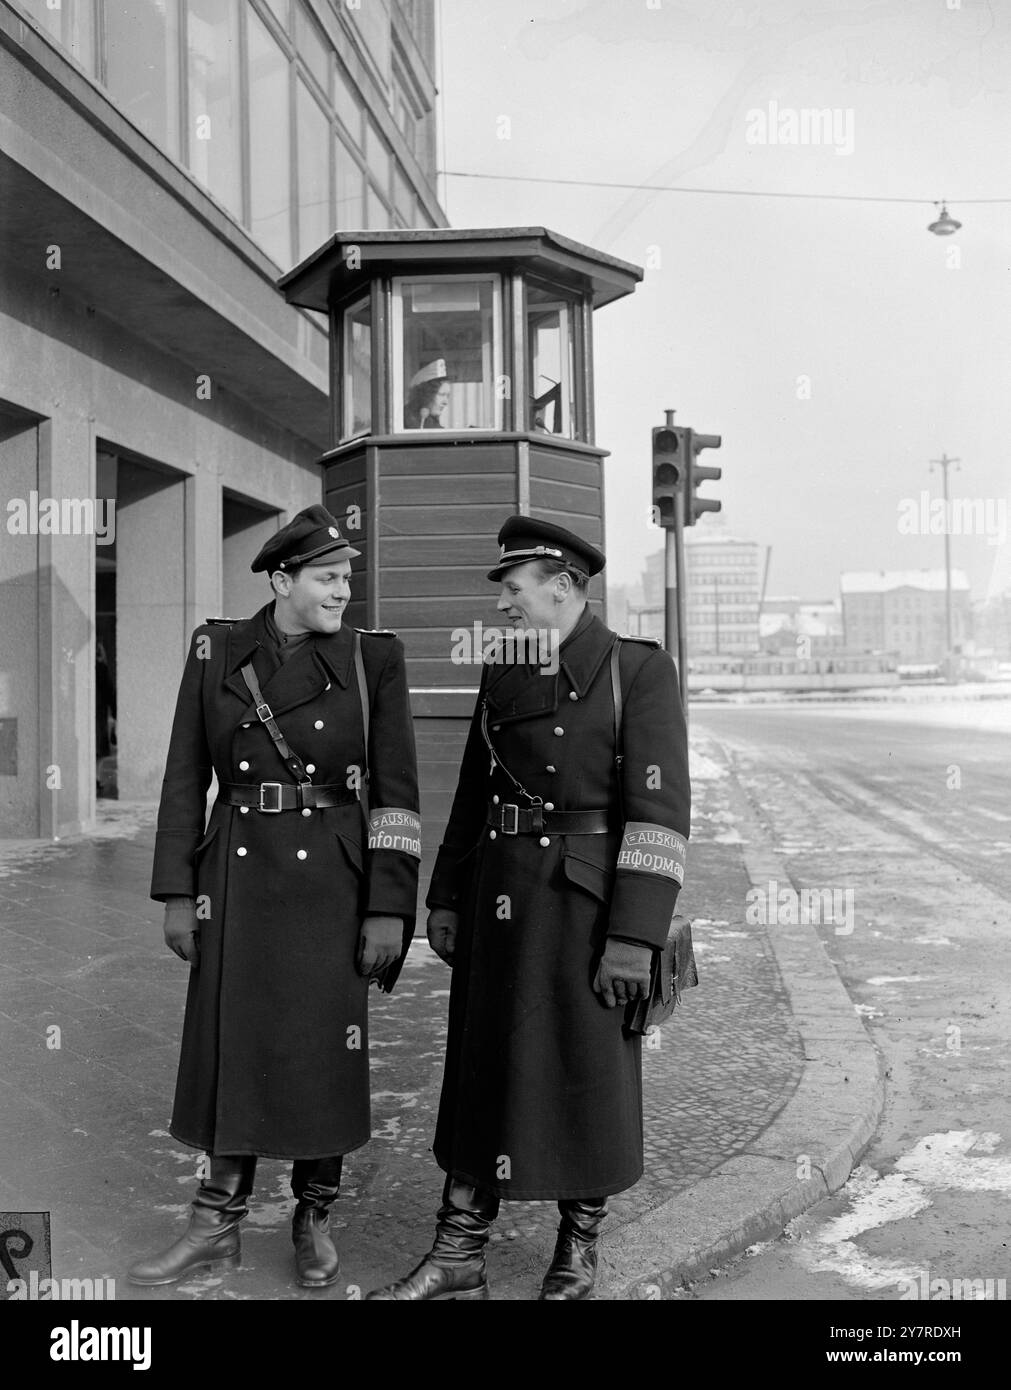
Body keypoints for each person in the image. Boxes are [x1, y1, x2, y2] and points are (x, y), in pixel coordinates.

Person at [366, 516, 690, 1301]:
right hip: (498, 899)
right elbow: (474, 791)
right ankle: (457, 1253)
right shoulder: (503, 668)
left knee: (585, 1071)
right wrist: (444, 896)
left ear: (563, 587)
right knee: (482, 1070)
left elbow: (659, 815)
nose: (504, 605)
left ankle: (576, 1252)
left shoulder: (635, 670)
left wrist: (633, 937)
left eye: (513, 591)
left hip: (586, 910)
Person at [128, 505, 421, 1290]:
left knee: (324, 1047)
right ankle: (213, 1223)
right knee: (232, 1040)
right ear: (282, 579)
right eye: (327, 578)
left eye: (348, 576)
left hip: (333, 877)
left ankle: (313, 1215)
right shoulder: (218, 647)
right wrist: (174, 890)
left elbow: (395, 791)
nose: (343, 591)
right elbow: (185, 775)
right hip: (236, 874)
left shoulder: (372, 658)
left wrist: (390, 906)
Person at [405, 358, 451, 429]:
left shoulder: (431, 424)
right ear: (426, 394)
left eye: (447, 396)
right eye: (441, 395)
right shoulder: (406, 421)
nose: (445, 402)